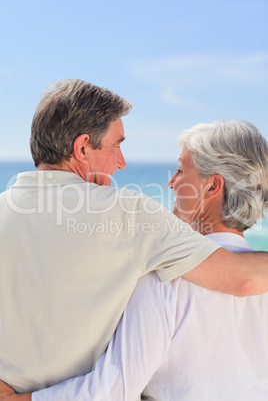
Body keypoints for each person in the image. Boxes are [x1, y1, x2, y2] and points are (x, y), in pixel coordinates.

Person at [0, 81, 267, 399]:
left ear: (212, 188)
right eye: (116, 146)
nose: (122, 162)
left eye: (180, 170)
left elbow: (114, 387)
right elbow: (242, 278)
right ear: (83, 148)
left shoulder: (161, 279)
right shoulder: (133, 221)